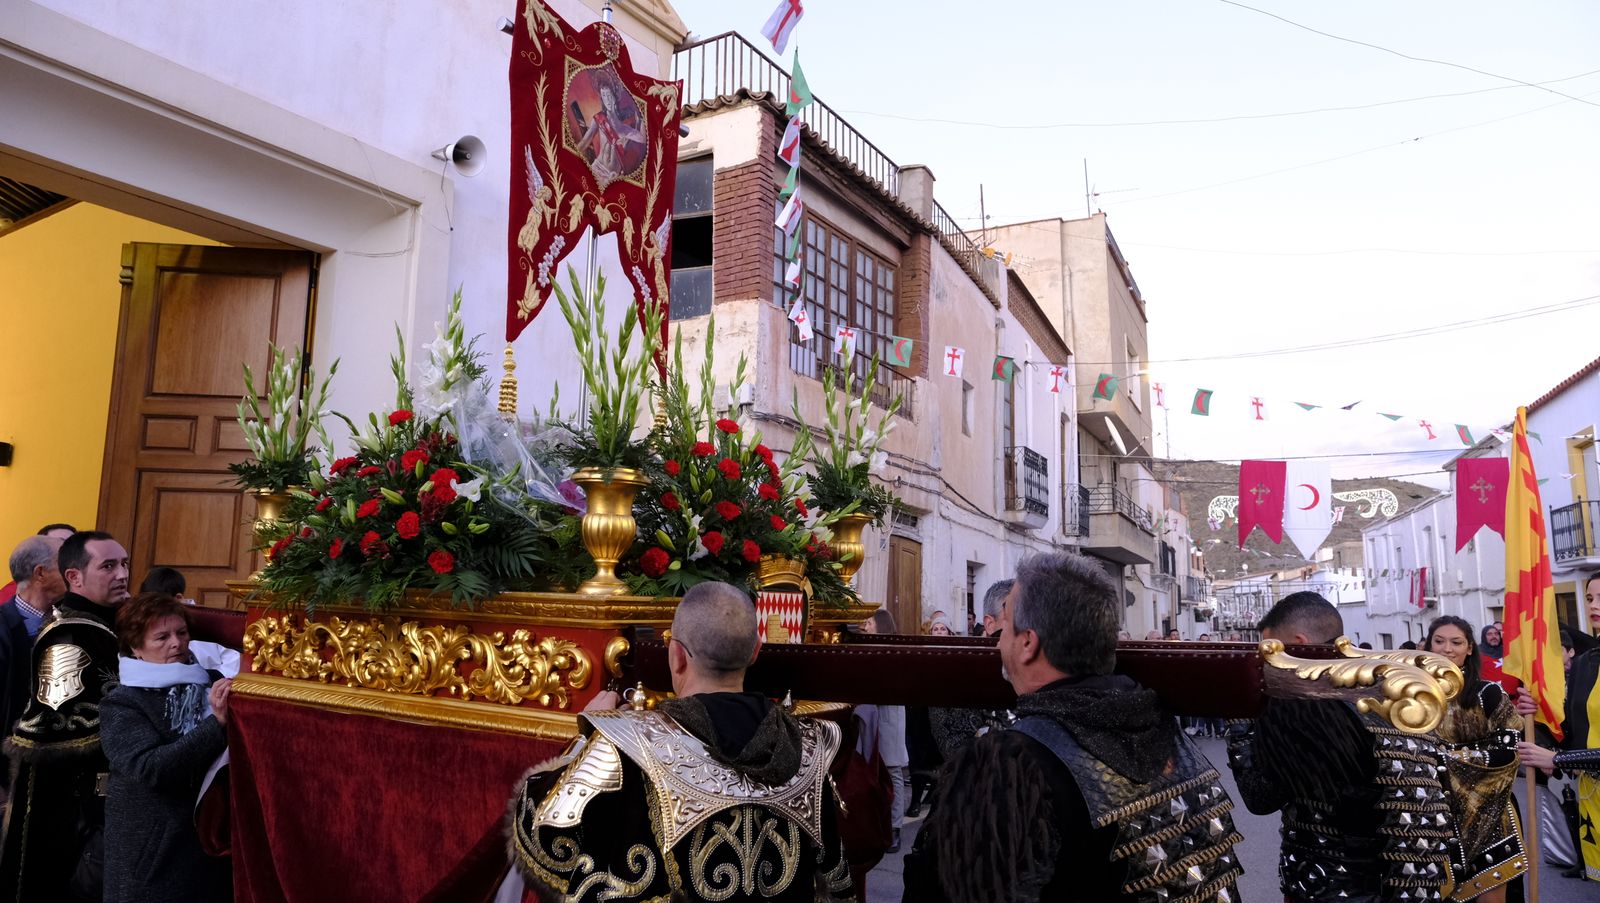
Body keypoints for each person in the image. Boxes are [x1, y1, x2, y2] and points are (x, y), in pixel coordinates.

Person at [902, 552, 1243, 901]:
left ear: (1027, 643)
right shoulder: (1169, 732)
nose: (999, 641)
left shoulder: (1007, 764)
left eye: (1006, 627)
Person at [506, 581, 853, 901]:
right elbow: (834, 878)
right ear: (754, 652)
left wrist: (588, 737)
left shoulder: (624, 741)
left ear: (676, 655)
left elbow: (541, 828)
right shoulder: (811, 746)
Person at [1225, 591, 1456, 902]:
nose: (1264, 661)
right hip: (1412, 884)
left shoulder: (1303, 704)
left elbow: (1260, 797)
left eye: (1269, 650)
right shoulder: (1394, 684)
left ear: (1299, 643)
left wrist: (1239, 716)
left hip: (1331, 885)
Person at [0, 530, 131, 902]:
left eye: (124, 564)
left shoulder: (111, 622)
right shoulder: (68, 635)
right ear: (74, 577)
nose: (122, 574)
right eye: (108, 566)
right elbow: (55, 724)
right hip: (70, 799)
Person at [101, 593, 232, 903]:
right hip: (152, 857)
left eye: (182, 633)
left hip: (206, 846)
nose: (176, 643)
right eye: (161, 637)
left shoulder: (212, 682)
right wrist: (216, 725)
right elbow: (151, 769)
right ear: (136, 647)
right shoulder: (122, 701)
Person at [1424, 615, 1526, 902]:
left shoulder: (1488, 693)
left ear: (1469, 648)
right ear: (1429, 646)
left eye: (1456, 642)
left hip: (1490, 810)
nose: (1447, 649)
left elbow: (1509, 751)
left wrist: (1443, 759)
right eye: (1439, 641)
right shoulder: (1414, 697)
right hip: (1436, 813)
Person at [1515, 572, 1600, 882]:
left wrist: (1557, 760)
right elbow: (1576, 736)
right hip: (1592, 800)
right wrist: (1539, 713)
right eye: (1590, 598)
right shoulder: (1586, 663)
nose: (1594, 605)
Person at [859, 609, 911, 853]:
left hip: (889, 714)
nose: (865, 626)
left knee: (893, 771)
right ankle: (876, 826)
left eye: (868, 623)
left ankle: (895, 828)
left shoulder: (893, 649)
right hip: (873, 715)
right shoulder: (868, 647)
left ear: (880, 625)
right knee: (872, 771)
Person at [0, 522, 75, 605]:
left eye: (74, 546)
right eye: (59, 543)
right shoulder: (6, 598)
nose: (69, 553)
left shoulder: (80, 600)